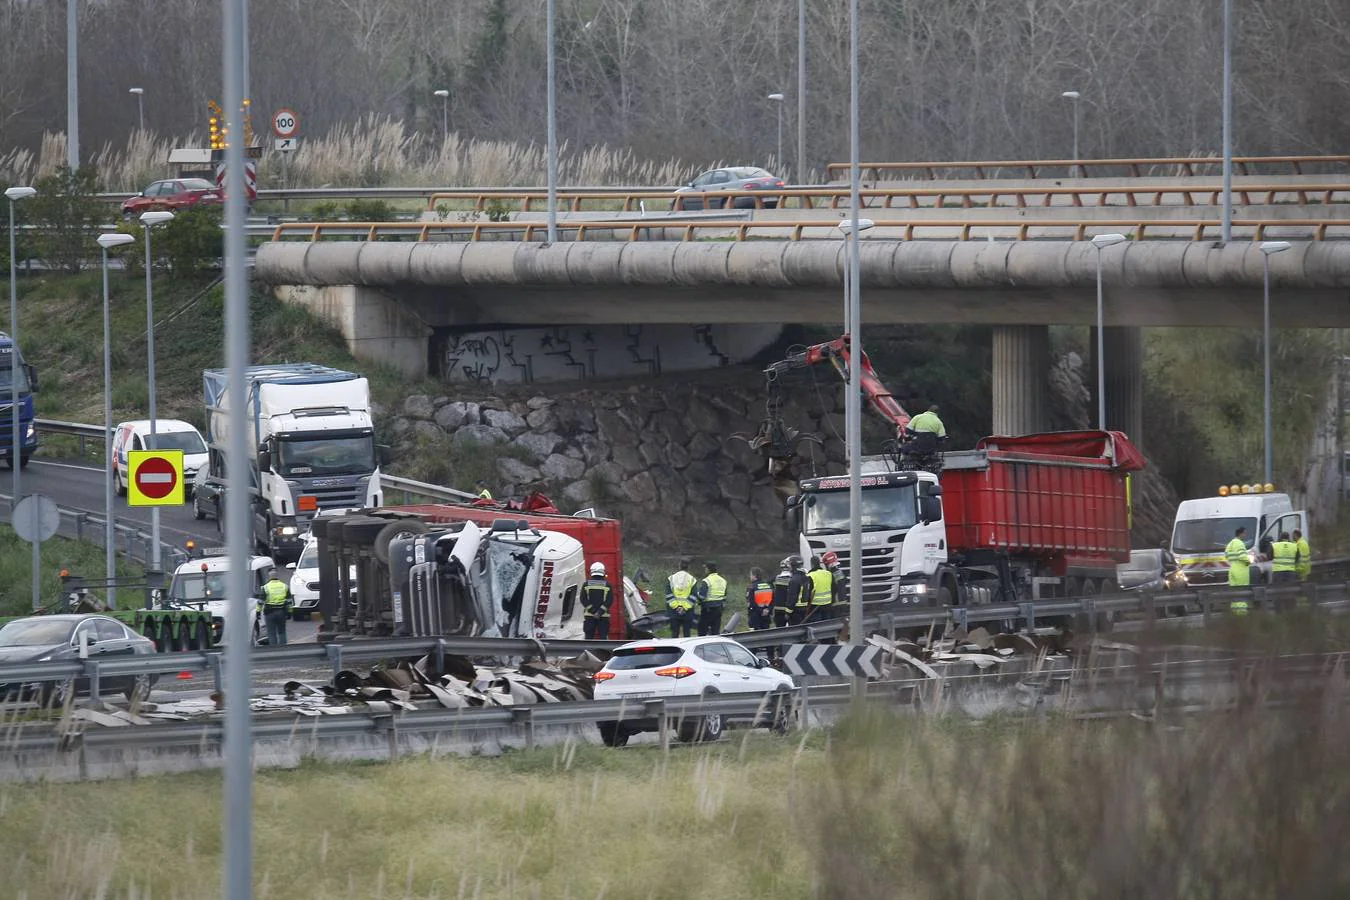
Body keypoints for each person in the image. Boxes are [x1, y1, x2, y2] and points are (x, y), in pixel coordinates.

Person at [772, 555, 812, 628]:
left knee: (793, 632)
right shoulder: (806, 577)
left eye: (790, 565)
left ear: (793, 565)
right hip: (804, 609)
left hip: (795, 611)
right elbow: (809, 594)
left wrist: (788, 612)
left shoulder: (794, 580)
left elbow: (792, 597)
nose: (789, 567)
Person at [581, 562, 614, 640]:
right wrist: (599, 612)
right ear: (603, 571)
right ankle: (604, 652)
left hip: (589, 616)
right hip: (603, 616)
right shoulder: (607, 585)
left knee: (588, 638)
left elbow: (583, 599)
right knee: (603, 638)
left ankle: (588, 651)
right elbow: (609, 600)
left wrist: (592, 611)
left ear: (592, 571)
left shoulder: (586, 584)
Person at [666, 557, 698, 638]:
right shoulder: (692, 579)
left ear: (679, 565)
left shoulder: (671, 578)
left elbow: (669, 595)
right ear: (688, 567)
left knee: (674, 634)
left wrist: (677, 607)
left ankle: (673, 650)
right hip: (687, 612)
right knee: (687, 634)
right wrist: (684, 608)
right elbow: (693, 596)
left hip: (674, 611)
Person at [694, 561, 727, 636]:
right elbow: (724, 596)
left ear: (708, 569)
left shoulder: (706, 581)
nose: (705, 570)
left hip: (707, 610)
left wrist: (697, 599)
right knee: (715, 632)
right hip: (718, 609)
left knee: (702, 631)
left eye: (705, 568)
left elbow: (702, 597)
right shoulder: (723, 580)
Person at [261, 568, 292, 645]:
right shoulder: (285, 586)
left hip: (269, 613)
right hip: (281, 612)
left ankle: (273, 650)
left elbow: (260, 601)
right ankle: (283, 649)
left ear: (269, 577)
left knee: (271, 633)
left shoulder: (265, 587)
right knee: (282, 632)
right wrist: (290, 612)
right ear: (278, 576)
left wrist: (258, 612)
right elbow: (289, 601)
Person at [1225, 526, 1251, 615]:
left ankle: (1235, 611)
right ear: (1241, 533)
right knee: (1242, 591)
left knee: (1234, 592)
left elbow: (1226, 555)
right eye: (1245, 533)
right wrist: (1249, 560)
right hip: (1241, 570)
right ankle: (1242, 613)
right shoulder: (1240, 543)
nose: (1245, 535)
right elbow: (1242, 556)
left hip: (1232, 569)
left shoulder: (1230, 544)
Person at [805, 555, 837, 622]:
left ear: (812, 564)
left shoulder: (810, 575)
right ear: (819, 563)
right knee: (826, 626)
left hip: (815, 607)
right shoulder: (828, 573)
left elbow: (807, 593)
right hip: (827, 605)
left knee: (817, 627)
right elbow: (834, 589)